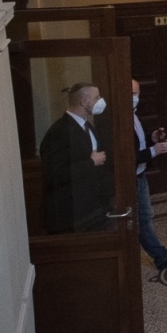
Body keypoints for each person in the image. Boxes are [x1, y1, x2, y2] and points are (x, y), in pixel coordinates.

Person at [131, 79, 167, 271]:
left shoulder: (134, 116)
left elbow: (138, 143)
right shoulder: (117, 120)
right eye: (131, 93)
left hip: (140, 175)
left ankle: (161, 257)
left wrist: (151, 138)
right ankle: (161, 257)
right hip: (130, 179)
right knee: (141, 219)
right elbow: (126, 156)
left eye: (137, 93)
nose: (135, 98)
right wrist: (154, 151)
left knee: (146, 216)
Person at [39, 82, 112, 234]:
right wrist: (91, 162)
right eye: (97, 97)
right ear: (84, 101)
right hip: (72, 213)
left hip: (93, 207)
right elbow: (54, 174)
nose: (101, 101)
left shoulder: (87, 126)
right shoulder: (59, 132)